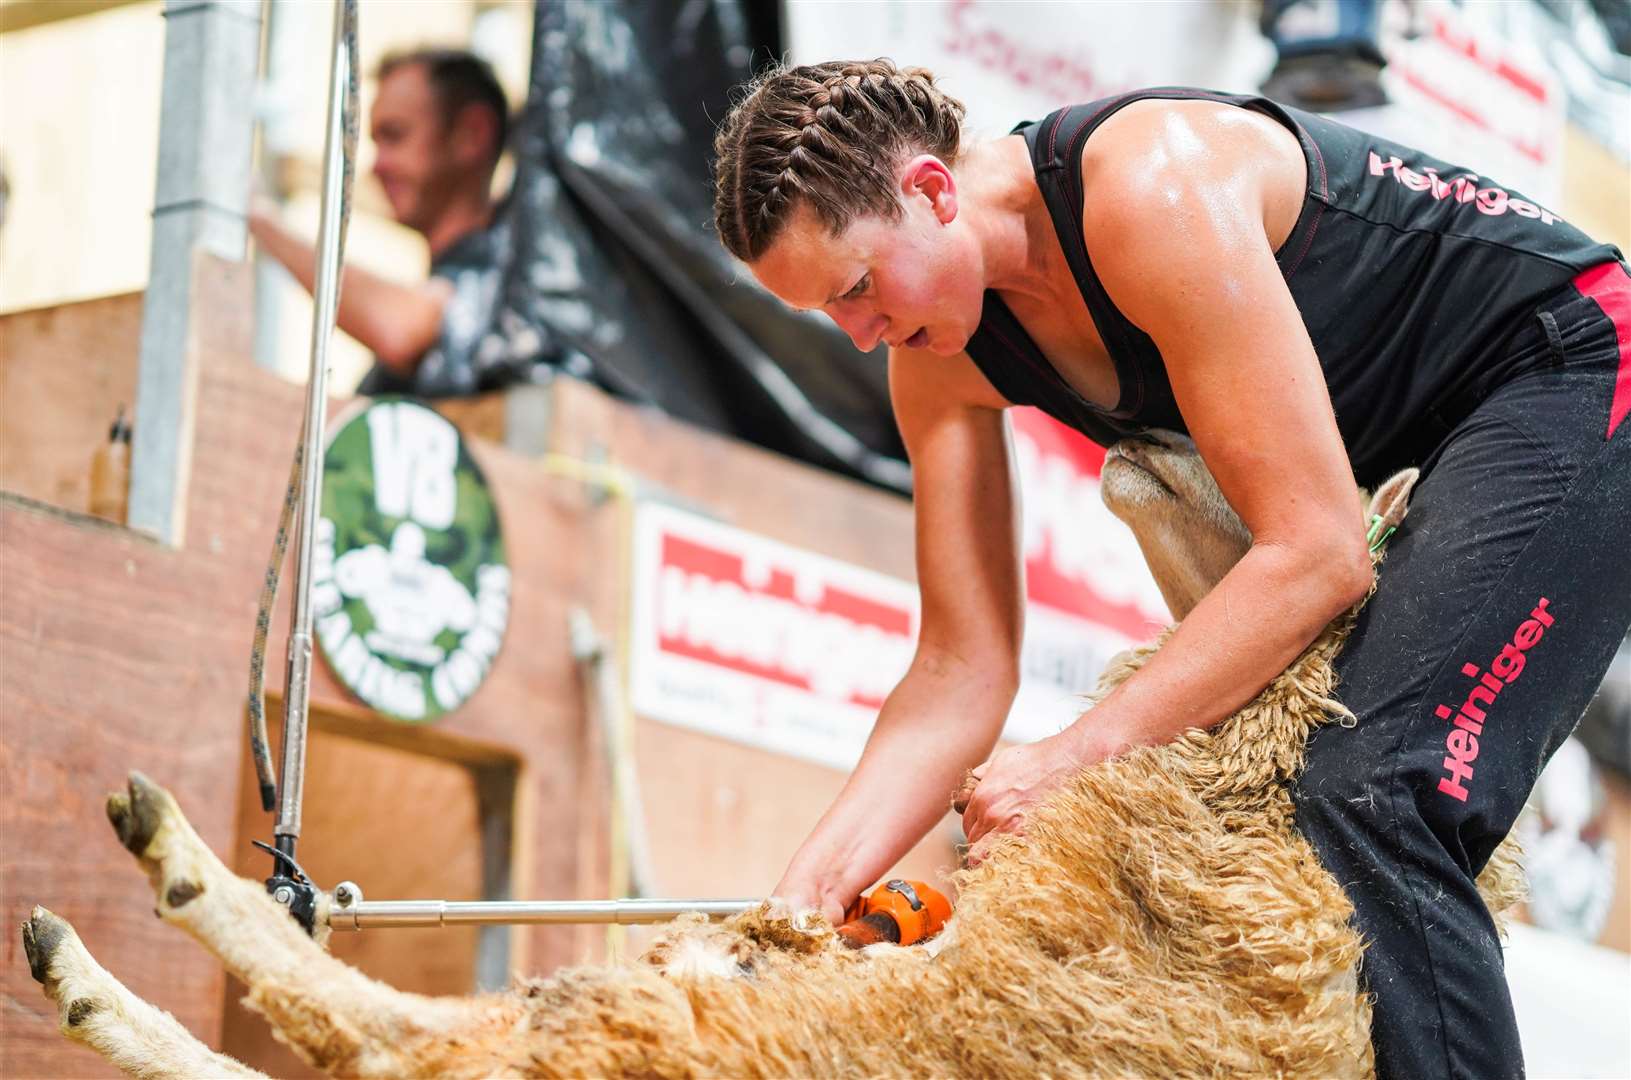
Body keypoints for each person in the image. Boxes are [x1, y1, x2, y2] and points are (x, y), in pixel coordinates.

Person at [710, 59, 1631, 1078]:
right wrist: (794, 907)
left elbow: (1316, 554)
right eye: (828, 317)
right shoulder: (936, 362)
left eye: (858, 288)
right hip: (1431, 445)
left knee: (1373, 794)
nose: (861, 334)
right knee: (1276, 827)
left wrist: (1069, 756)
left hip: (1572, 361)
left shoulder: (1149, 188)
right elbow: (954, 674)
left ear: (930, 190)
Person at [251, 48, 510, 396]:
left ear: (472, 134)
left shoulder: (517, 273)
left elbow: (402, 329)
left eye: (396, 135)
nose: (377, 166)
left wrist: (257, 217)